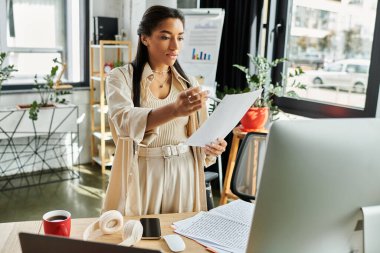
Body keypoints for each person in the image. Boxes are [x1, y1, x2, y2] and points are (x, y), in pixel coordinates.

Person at [102, 5, 227, 216]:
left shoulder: (189, 83)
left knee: (181, 238)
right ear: (145, 38)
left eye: (180, 37)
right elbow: (123, 120)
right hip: (143, 171)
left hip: (184, 171)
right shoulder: (120, 77)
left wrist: (212, 147)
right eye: (165, 37)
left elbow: (201, 134)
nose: (174, 46)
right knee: (141, 238)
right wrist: (174, 110)